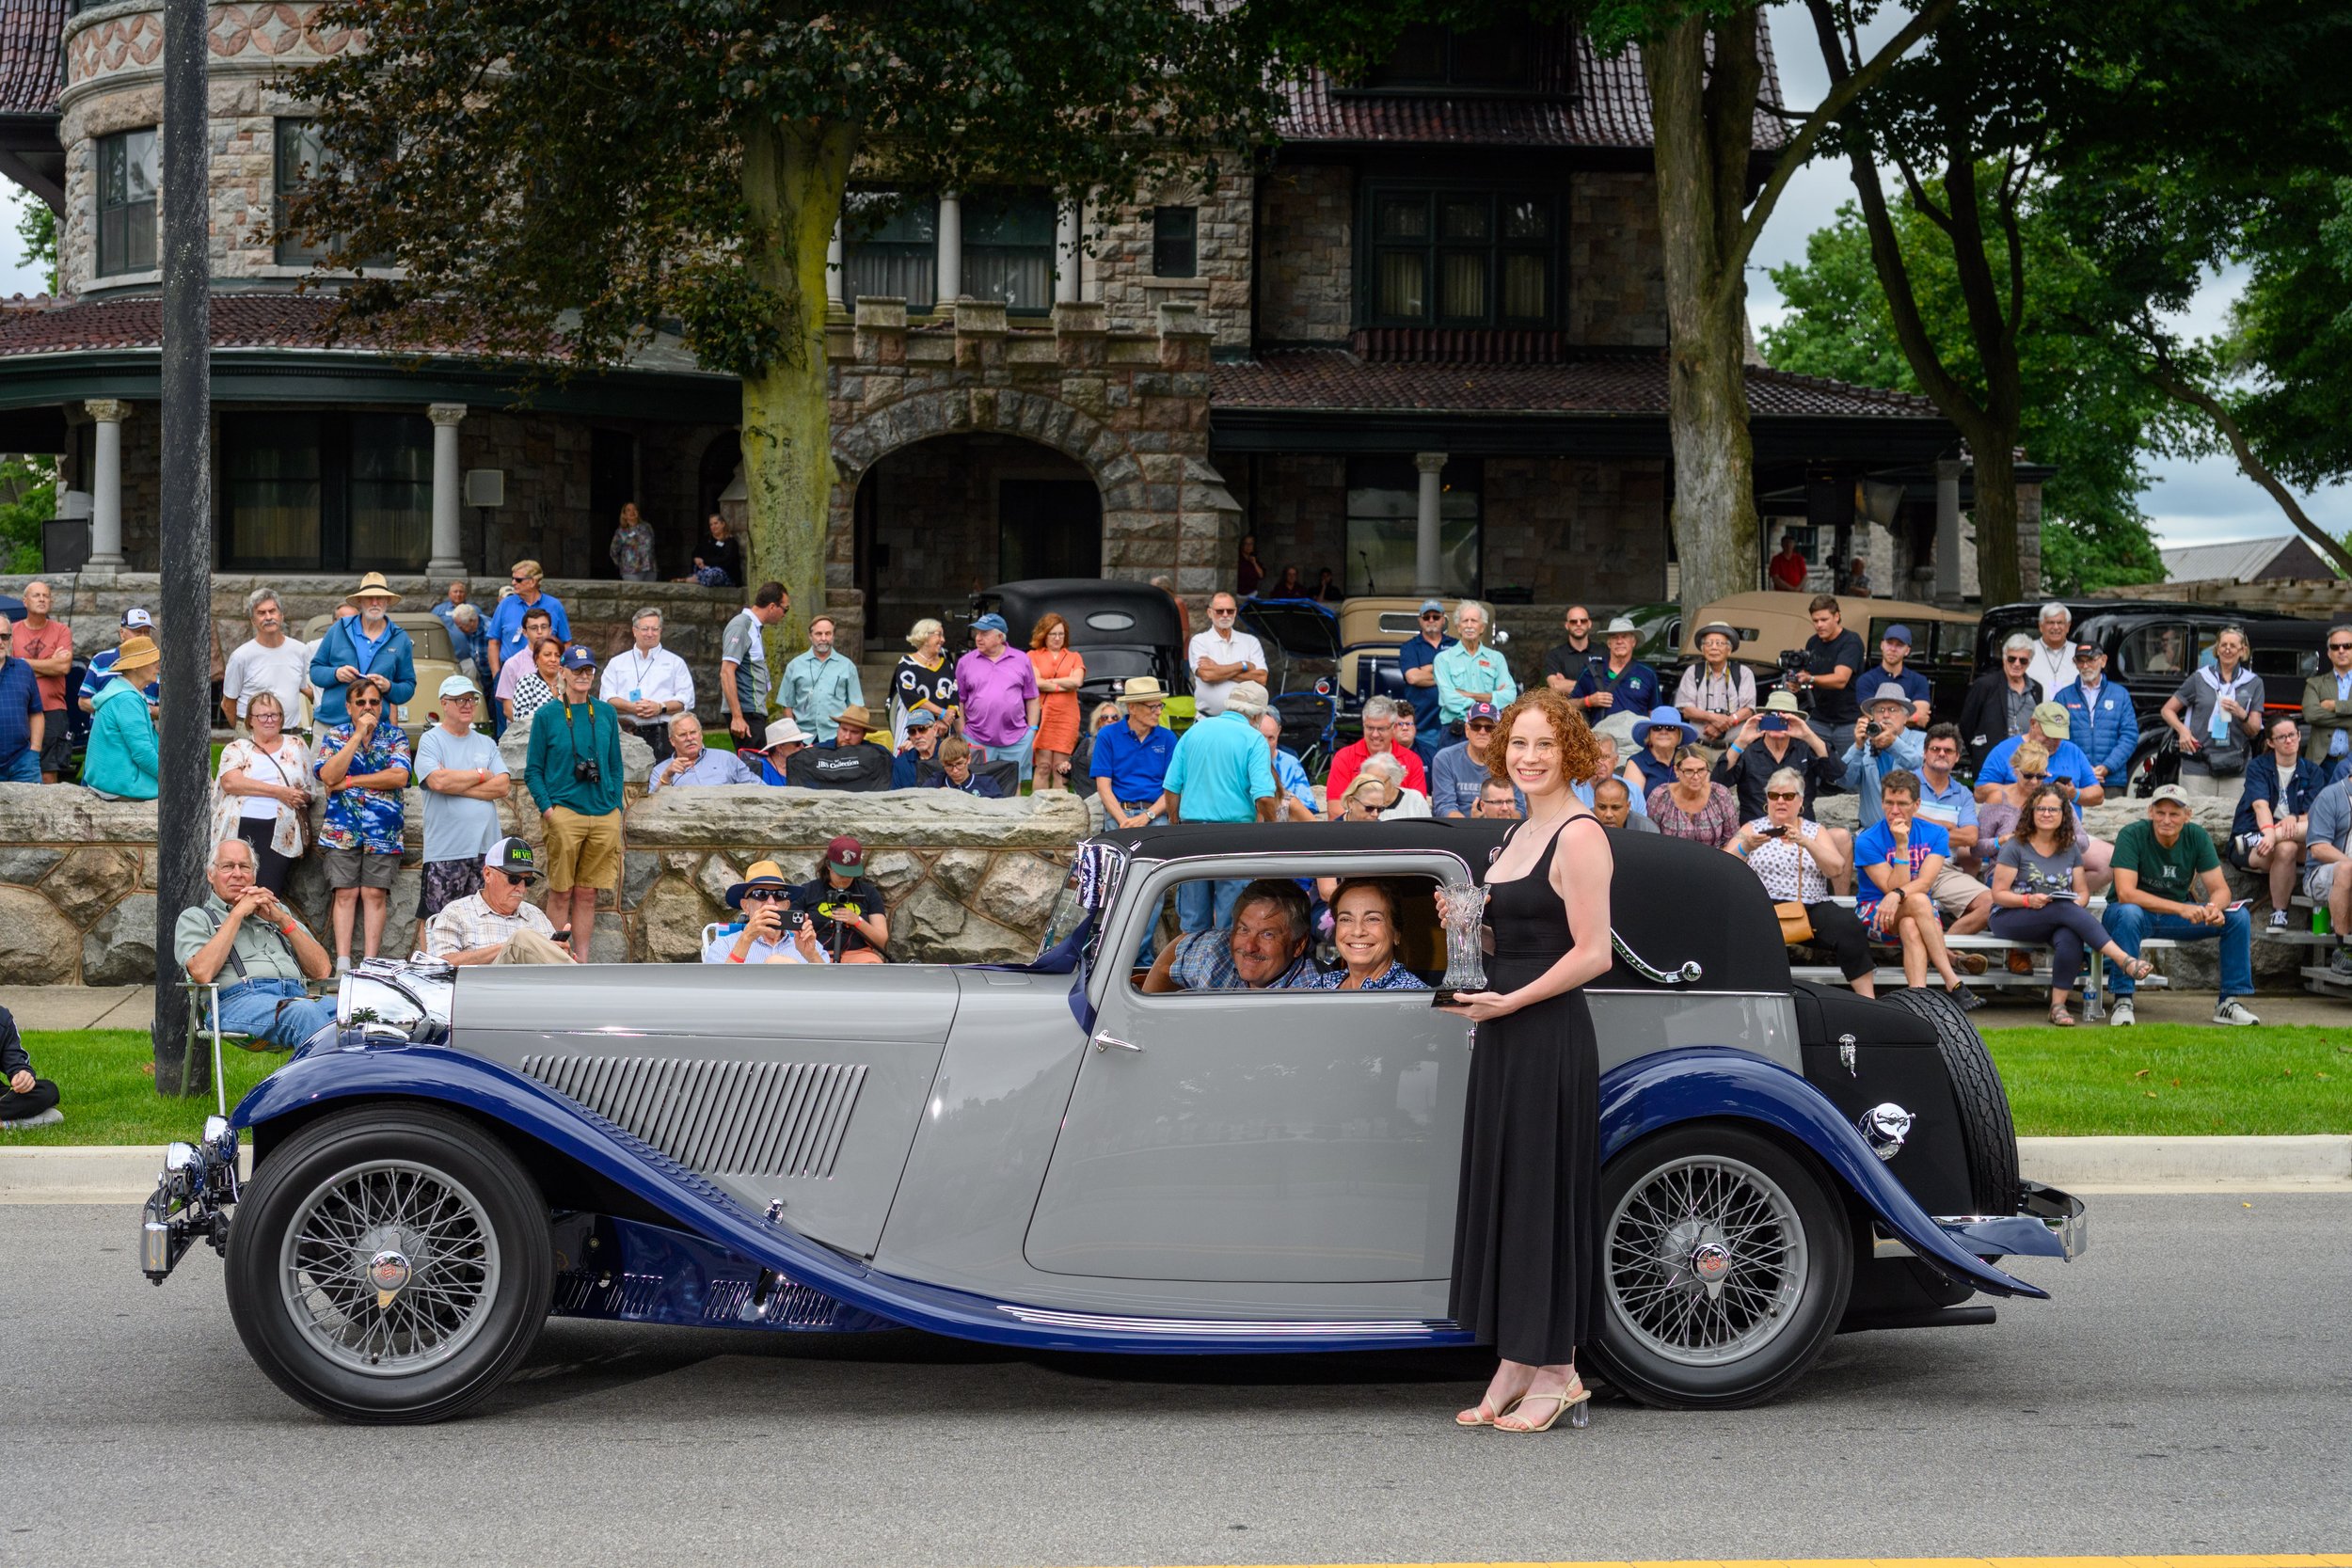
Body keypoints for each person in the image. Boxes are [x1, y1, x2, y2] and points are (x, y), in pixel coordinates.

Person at [1441, 688, 1612, 1433]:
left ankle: (1561, 1368)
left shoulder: (1579, 833)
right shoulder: (1512, 834)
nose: (1529, 757)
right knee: (1510, 1192)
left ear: (1569, 751)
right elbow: (1504, 947)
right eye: (1518, 744)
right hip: (1505, 1029)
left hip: (1546, 1033)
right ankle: (1518, 1356)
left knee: (1543, 1194)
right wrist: (1465, 927)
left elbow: (1593, 953)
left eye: (1544, 745)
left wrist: (1512, 1002)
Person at [1990, 784, 2157, 1026]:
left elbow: (2082, 892)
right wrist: (2028, 900)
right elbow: (1998, 894)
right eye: (2041, 808)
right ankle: (2123, 959)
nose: (2047, 814)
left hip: (2054, 915)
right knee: (2063, 909)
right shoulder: (2015, 846)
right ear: (2032, 812)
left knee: (2070, 934)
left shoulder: (2069, 847)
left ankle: (2057, 1006)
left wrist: (2077, 903)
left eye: (2053, 809)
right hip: (2011, 915)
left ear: (2063, 815)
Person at [2102, 784, 2261, 1027]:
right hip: (2131, 915)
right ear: (2150, 812)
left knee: (2238, 918)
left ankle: (2229, 1002)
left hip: (2176, 918)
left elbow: (2220, 889)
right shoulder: (2131, 834)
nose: (2166, 819)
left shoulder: (2196, 836)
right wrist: (2181, 908)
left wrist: (2214, 909)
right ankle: (2123, 1000)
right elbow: (2125, 893)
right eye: (2160, 812)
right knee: (2129, 913)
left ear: (2188, 816)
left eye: (2174, 814)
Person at [175, 838, 336, 1048]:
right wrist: (237, 913)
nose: (237, 874)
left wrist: (283, 921)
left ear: (254, 876)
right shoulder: (196, 918)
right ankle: (327, 1079)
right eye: (227, 866)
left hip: (296, 996)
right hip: (237, 1002)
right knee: (303, 1013)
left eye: (244, 867)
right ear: (210, 875)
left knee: (361, 1013)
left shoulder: (276, 913)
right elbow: (202, 973)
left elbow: (322, 971)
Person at [524, 645, 627, 962]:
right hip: (564, 812)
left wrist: (616, 808)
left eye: (589, 670)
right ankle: (555, 958)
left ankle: (582, 959)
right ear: (563, 672)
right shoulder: (547, 715)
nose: (583, 675)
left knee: (587, 893)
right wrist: (549, 811)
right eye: (577, 669)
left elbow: (615, 766)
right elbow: (533, 770)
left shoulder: (606, 712)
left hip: (603, 813)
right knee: (561, 891)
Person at [1730, 768, 1872, 992]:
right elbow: (1726, 863)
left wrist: (1806, 842)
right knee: (1738, 928)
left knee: (1849, 927)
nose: (1780, 801)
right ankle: (1748, 992)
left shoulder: (1814, 830)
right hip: (1763, 904)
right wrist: (1744, 846)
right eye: (1774, 795)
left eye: (1788, 796)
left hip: (1810, 904)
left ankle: (1867, 999)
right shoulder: (1752, 828)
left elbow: (1836, 868)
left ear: (1800, 800)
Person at [1151, 680, 1278, 933]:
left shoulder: (1194, 732)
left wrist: (1175, 823)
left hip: (1192, 833)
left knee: (1192, 919)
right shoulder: (1254, 739)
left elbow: (1171, 787)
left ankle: (1189, 969)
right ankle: (1225, 971)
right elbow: (1263, 797)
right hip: (1234, 836)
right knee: (1231, 919)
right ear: (1257, 714)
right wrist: (1273, 828)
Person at [1854, 771, 1978, 1006]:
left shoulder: (1936, 834)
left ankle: (1918, 1000)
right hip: (1875, 913)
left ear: (1917, 805)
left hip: (1916, 914)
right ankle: (1952, 981)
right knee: (1920, 901)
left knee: (1912, 921)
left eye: (1902, 804)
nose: (1894, 810)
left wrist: (1898, 894)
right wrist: (1902, 846)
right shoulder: (1867, 840)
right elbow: (1891, 886)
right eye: (1889, 803)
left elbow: (1926, 882)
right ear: (1882, 803)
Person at [313, 679, 410, 971]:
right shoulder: (335, 736)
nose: (369, 707)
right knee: (344, 892)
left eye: (374, 702)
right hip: (343, 829)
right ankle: (343, 964)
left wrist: (352, 781)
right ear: (349, 707)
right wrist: (356, 736)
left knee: (374, 893)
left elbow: (399, 776)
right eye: (361, 702)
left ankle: (371, 963)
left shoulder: (396, 736)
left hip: (383, 830)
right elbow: (328, 775)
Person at [412, 675, 510, 958]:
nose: (467, 705)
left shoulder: (486, 743)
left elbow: (502, 786)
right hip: (446, 849)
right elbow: (437, 783)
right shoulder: (431, 741)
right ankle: (431, 969)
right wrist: (480, 776)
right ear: (444, 704)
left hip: (485, 850)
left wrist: (456, 784)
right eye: (459, 700)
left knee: (480, 919)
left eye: (471, 699)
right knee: (436, 918)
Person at [209, 691, 311, 895]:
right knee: (233, 891)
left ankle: (262, 928)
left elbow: (310, 789)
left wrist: (301, 797)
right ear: (250, 721)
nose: (269, 720)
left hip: (279, 831)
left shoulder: (296, 745)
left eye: (275, 715)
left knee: (267, 891)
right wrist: (279, 792)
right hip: (238, 827)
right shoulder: (237, 747)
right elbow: (230, 782)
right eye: (262, 716)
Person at [1140, 878, 1314, 992]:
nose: (1249, 947)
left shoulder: (1313, 990)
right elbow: (1176, 953)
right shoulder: (1216, 951)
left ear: (1298, 944)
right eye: (1243, 929)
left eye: (1267, 934)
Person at [2233, 714, 2325, 929]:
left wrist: (2292, 820)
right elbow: (2260, 805)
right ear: (2270, 742)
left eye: (2292, 735)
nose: (2288, 740)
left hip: (2285, 838)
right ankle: (2279, 912)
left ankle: (2279, 914)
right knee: (2286, 848)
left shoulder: (2313, 771)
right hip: (2260, 841)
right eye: (2282, 737)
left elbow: (2314, 813)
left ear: (2299, 735)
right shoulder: (2258, 767)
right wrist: (2267, 831)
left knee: (2293, 843)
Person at [425, 837, 577, 966]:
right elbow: (439, 965)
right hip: (483, 993)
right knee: (522, 938)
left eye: (528, 881)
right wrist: (512, 947)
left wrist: (563, 953)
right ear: (488, 874)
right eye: (514, 879)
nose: (522, 888)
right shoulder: (456, 913)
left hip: (534, 993)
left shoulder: (535, 915)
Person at [2162, 624, 2265, 798]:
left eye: (2233, 646)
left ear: (2242, 651)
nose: (2227, 650)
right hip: (2198, 764)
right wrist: (2183, 731)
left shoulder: (2254, 683)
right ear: (2217, 649)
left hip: (2235, 766)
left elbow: (2254, 730)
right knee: (2194, 819)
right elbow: (2167, 710)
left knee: (2232, 821)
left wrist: (2242, 714)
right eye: (2223, 645)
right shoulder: (2200, 678)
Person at [1913, 723, 1995, 936]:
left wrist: (1920, 822)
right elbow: (1901, 823)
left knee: (1992, 902)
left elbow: (1970, 836)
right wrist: (1947, 827)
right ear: (1924, 753)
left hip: (1943, 870)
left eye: (1948, 750)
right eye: (1935, 749)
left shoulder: (1963, 794)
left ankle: (1945, 947)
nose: (1941, 754)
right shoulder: (1907, 783)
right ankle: (1947, 957)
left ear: (1957, 757)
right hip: (1906, 866)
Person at [310, 572, 417, 731]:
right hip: (331, 725)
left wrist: (388, 687)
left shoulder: (400, 638)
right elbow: (315, 671)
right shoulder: (339, 628)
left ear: (387, 600)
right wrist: (336, 674)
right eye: (369, 598)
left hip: (375, 730)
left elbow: (408, 687)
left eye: (380, 597)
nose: (375, 602)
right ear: (360, 601)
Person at [1713, 689, 1835, 821]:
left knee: (1841, 836)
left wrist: (1808, 735)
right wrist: (1741, 740)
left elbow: (1835, 773)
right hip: (1756, 829)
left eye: (1785, 719)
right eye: (1773, 717)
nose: (1778, 723)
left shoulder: (1806, 748)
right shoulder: (1746, 749)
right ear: (1763, 718)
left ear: (1796, 721)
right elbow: (1717, 783)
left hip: (1800, 827)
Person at [600, 608, 694, 764]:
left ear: (660, 631)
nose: (650, 633)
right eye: (645, 629)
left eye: (654, 629)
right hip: (626, 733)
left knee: (664, 782)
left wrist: (660, 707)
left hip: (663, 733)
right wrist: (632, 707)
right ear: (634, 631)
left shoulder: (675, 662)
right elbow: (606, 698)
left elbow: (686, 700)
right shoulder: (617, 663)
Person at [957, 612, 1041, 784]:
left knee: (1014, 786)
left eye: (984, 633)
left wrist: (1031, 730)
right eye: (977, 633)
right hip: (976, 737)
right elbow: (960, 700)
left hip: (1016, 739)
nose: (978, 638)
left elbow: (1032, 698)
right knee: (977, 785)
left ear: (1000, 637)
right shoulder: (965, 662)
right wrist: (962, 732)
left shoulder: (1021, 659)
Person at [1302, 879, 1431, 991]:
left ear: (1396, 933)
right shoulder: (1322, 985)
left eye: (1372, 919)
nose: (1357, 931)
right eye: (1346, 919)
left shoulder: (1414, 998)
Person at [1975, 701, 2106, 807]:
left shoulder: (2073, 751)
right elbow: (1980, 793)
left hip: (2066, 832)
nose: (2053, 742)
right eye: (2048, 735)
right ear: (2033, 724)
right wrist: (2020, 788)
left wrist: (2073, 794)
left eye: (2059, 736)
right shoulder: (2004, 750)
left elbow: (2098, 795)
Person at [81, 633, 161, 800]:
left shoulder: (121, 689)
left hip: (109, 778)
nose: (158, 666)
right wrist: (174, 778)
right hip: (118, 783)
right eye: (153, 661)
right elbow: (143, 754)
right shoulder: (127, 700)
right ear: (135, 667)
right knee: (187, 791)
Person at [219, 588, 310, 735]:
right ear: (253, 621)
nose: (268, 617)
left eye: (272, 611)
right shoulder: (241, 656)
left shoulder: (300, 650)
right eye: (261, 613)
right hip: (252, 735)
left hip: (291, 735)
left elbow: (302, 686)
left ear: (281, 616)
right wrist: (244, 733)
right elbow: (227, 704)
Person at [706, 860, 830, 964]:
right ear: (746, 906)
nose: (771, 902)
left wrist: (812, 955)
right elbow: (717, 987)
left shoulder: (810, 945)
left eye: (779, 895)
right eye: (761, 894)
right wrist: (746, 939)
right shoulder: (724, 945)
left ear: (786, 905)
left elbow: (830, 990)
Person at [1840, 683, 1929, 828]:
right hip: (1871, 832)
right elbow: (1844, 781)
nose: (1886, 715)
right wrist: (1857, 746)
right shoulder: (1865, 744)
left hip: (1910, 832)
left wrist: (1893, 743)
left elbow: (1918, 764)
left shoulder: (1921, 739)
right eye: (1880, 710)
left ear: (1906, 718)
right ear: (1873, 716)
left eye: (1892, 710)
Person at [1093, 677, 1176, 829]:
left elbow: (1172, 788)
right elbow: (1103, 787)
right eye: (1152, 707)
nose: (1158, 712)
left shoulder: (1167, 738)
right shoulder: (1107, 735)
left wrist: (1147, 816)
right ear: (1132, 708)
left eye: (1160, 706)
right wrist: (1124, 822)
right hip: (1119, 811)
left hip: (1155, 813)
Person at [791, 836, 889, 963]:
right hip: (815, 953)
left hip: (860, 955)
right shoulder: (808, 891)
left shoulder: (869, 893)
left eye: (850, 874)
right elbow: (790, 933)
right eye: (841, 873)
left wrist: (857, 921)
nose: (846, 878)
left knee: (873, 969)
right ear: (829, 866)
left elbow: (881, 941)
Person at [1788, 595, 1866, 753]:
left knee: (1848, 771)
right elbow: (1809, 677)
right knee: (1808, 766)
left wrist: (1809, 678)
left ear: (1836, 617)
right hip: (1818, 718)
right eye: (1815, 621)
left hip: (1847, 721)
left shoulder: (1851, 641)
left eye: (1824, 620)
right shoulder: (1812, 642)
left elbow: (1841, 679)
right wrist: (1798, 683)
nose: (1819, 625)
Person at [2054, 641, 2137, 787]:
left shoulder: (2120, 695)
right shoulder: (2063, 697)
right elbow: (2056, 738)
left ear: (2103, 661)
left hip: (2111, 780)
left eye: (2091, 660)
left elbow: (2129, 736)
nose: (2085, 666)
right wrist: (2083, 769)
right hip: (2074, 779)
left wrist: (2107, 767)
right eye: (2080, 661)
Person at [1325, 695, 1428, 807]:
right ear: (1363, 725)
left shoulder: (1412, 760)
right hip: (1356, 823)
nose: (1375, 734)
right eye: (1370, 728)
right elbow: (1335, 809)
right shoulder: (1344, 757)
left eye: (1381, 729)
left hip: (1399, 824)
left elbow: (1418, 807)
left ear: (1394, 727)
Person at [721, 581, 789, 743]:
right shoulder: (741, 625)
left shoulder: (754, 627)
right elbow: (726, 671)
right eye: (785, 609)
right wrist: (737, 716)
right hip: (746, 711)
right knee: (754, 764)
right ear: (772, 606)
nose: (785, 615)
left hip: (753, 710)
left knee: (757, 763)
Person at [15, 580, 71, 782]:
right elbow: (6, 668)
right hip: (19, 709)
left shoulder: (61, 631)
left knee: (48, 772)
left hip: (53, 709)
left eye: (46, 596)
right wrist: (49, 664)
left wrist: (21, 664)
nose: (42, 599)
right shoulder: (11, 632)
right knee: (16, 767)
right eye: (36, 595)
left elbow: (63, 667)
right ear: (25, 601)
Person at [777, 614, 865, 741]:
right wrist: (793, 737)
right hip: (803, 737)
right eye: (818, 634)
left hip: (835, 737)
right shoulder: (794, 666)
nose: (823, 638)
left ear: (833, 636)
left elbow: (856, 707)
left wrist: (848, 737)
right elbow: (787, 705)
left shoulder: (848, 666)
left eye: (828, 634)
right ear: (810, 636)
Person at [1566, 615, 1660, 734]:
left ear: (1633, 642)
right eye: (1615, 637)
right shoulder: (1591, 670)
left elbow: (1655, 713)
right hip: (1601, 743)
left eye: (1624, 637)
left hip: (1636, 743)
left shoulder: (1647, 673)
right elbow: (1569, 705)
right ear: (1609, 643)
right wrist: (1589, 701)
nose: (1619, 641)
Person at [1961, 632, 2040, 770]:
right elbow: (1966, 725)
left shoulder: (2036, 688)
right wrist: (1980, 750)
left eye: (2023, 660)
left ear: (2030, 662)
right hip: (1992, 761)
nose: (2016, 664)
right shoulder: (1985, 685)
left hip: (2026, 764)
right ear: (2004, 658)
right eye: (2012, 659)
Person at [1026, 613, 1087, 791]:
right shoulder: (1033, 655)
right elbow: (1035, 683)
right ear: (1043, 634)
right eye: (1053, 634)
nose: (1057, 638)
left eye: (1061, 634)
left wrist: (1049, 683)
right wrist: (1063, 685)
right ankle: (1040, 810)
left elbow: (1077, 682)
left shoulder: (1074, 656)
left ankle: (1061, 810)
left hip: (1067, 717)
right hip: (1043, 716)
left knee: (1060, 767)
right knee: (1043, 767)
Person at [1434, 601, 1517, 728]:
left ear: (1482, 627)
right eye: (1465, 621)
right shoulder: (1443, 659)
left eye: (1474, 621)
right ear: (1458, 627)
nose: (1469, 625)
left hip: (1489, 728)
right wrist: (1488, 700)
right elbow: (1449, 699)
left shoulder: (1496, 658)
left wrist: (1468, 695)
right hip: (1456, 728)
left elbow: (1509, 696)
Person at [1187, 591, 1268, 720]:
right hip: (1208, 719)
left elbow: (1261, 678)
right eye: (1220, 611)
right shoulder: (1199, 641)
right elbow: (1207, 675)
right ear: (1210, 613)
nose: (1225, 615)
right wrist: (1243, 665)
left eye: (1230, 611)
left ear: (1235, 612)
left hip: (1244, 721)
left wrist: (1218, 669)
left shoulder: (1250, 641)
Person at [485, 560, 569, 682]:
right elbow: (493, 642)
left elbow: (566, 643)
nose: (513, 583)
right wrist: (497, 675)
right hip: (509, 674)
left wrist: (561, 671)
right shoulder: (505, 605)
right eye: (513, 579)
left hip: (547, 676)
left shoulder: (554, 606)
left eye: (518, 580)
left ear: (533, 582)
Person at [2301, 776, 2352, 977]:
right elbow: (2319, 849)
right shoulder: (2330, 796)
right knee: (2347, 870)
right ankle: (2342, 949)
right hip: (2321, 873)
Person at [1674, 621, 1756, 744]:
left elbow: (1748, 710)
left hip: (1734, 748)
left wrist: (1724, 724)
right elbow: (1687, 710)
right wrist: (1714, 718)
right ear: (1703, 649)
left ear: (1729, 650)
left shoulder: (1743, 673)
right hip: (1698, 748)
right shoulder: (1693, 672)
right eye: (1709, 643)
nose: (1714, 647)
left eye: (1719, 643)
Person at [1433, 701, 1518, 818]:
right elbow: (1444, 807)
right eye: (1476, 726)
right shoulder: (1445, 758)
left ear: (1498, 732)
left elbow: (1520, 810)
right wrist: (1472, 826)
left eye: (1489, 727)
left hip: (1501, 826)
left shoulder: (1510, 760)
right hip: (1457, 830)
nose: (1482, 732)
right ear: (1467, 730)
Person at [1646, 745, 1739, 847]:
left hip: (1714, 859)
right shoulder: (1660, 796)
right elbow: (1651, 839)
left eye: (1701, 770)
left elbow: (1732, 839)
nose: (1696, 777)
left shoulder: (1720, 794)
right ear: (1677, 770)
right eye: (1689, 771)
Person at [788, 705, 893, 791]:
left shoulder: (877, 754)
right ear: (838, 728)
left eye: (854, 732)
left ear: (864, 734)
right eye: (844, 729)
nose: (847, 737)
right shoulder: (818, 750)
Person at [1395, 598, 1457, 741]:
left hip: (1453, 724)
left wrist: (1428, 669)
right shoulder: (1410, 647)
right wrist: (1446, 675)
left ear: (1443, 620)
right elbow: (1413, 677)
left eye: (1436, 617)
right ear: (1420, 620)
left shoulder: (1456, 645)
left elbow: (1462, 676)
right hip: (1422, 724)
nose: (1431, 620)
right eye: (1426, 617)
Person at [891, 617, 958, 749]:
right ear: (924, 636)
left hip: (943, 730)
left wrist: (946, 720)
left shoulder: (947, 665)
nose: (943, 640)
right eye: (939, 634)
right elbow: (909, 695)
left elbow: (954, 695)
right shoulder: (907, 664)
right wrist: (941, 714)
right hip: (914, 729)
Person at [79, 607, 159, 715]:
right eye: (138, 632)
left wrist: (143, 709)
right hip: (106, 730)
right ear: (122, 633)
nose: (143, 637)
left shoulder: (155, 663)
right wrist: (115, 711)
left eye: (146, 632)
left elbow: (165, 709)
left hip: (140, 729)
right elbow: (83, 702)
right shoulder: (101, 660)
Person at [653, 711, 759, 790]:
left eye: (693, 732)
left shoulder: (726, 758)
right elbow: (653, 808)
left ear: (701, 734)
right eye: (682, 734)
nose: (689, 738)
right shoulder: (660, 771)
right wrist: (666, 777)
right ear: (672, 741)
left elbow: (758, 788)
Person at [493, 603, 558, 727]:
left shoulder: (560, 661)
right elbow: (508, 709)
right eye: (534, 628)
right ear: (524, 632)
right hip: (524, 734)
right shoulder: (512, 664)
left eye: (544, 627)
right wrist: (538, 730)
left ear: (550, 630)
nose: (539, 632)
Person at [2301, 624, 2352, 784]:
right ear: (2329, 653)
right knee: (2315, 807)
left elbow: (2320, 716)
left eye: (2347, 646)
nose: (2341, 650)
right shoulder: (2315, 683)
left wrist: (2335, 706)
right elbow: (2311, 714)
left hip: (2350, 762)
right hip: (2321, 763)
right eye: (2336, 647)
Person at [1253, 708, 1320, 822]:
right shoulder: (1244, 761)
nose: (1265, 745)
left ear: (1278, 732)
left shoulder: (1291, 763)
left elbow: (1307, 807)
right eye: (1260, 738)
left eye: (1270, 738)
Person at [0, 1006, 60, 1128]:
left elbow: (14, 1059)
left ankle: (4, 1124)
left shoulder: (2, 1019)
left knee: (48, 1091)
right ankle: (9, 1123)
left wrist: (21, 1074)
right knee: (50, 1116)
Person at [0, 617, 43, 784]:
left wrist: (34, 751)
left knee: (34, 810)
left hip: (23, 764)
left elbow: (36, 713)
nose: (1, 642)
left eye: (5, 636)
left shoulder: (24, 670)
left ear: (11, 639)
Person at [1626, 705, 1699, 800]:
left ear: (1679, 734)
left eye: (1670, 728)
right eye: (1657, 728)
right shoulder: (1636, 763)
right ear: (1650, 734)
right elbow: (1632, 805)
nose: (1663, 732)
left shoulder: (1688, 760)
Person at [1869, 625, 1932, 730]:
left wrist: (1882, 717)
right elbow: (1869, 713)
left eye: (1899, 645)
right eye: (1889, 643)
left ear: (1907, 650)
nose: (1893, 649)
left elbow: (1922, 716)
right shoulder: (1867, 679)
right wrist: (1915, 718)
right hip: (1876, 737)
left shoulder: (1920, 680)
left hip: (1911, 741)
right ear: (1881, 645)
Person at [1572, 733, 1647, 818]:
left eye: (1605, 757)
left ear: (1616, 760)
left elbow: (1642, 827)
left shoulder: (1633, 791)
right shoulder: (1572, 789)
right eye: (1594, 756)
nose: (1599, 762)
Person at [503, 635, 564, 731]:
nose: (553, 659)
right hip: (533, 740)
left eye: (557, 655)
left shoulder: (567, 685)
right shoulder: (527, 681)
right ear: (536, 658)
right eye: (547, 654)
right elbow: (520, 716)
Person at [1542, 605, 1604, 697]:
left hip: (1600, 710)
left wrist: (1566, 684)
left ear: (1589, 624)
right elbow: (1555, 686)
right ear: (1567, 625)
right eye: (1573, 621)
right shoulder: (1554, 655)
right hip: (1567, 710)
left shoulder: (1604, 652)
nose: (1578, 624)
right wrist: (1595, 685)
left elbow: (1612, 685)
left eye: (1583, 621)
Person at [432, 580, 489, 680]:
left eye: (461, 591)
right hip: (448, 659)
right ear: (449, 594)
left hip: (469, 659)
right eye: (455, 591)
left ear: (465, 594)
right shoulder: (439, 610)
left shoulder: (474, 609)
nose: (458, 594)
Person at [889, 702, 947, 789]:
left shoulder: (949, 754)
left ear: (935, 729)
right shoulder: (902, 762)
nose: (917, 736)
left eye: (922, 729)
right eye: (912, 731)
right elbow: (893, 796)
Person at [2025, 602, 2074, 701]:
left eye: (2060, 623)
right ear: (2041, 626)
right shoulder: (2026, 650)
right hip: (2034, 714)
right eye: (2050, 622)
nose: (2055, 627)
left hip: (2071, 714)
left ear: (2068, 626)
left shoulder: (2078, 652)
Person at [1357, 751, 1431, 817]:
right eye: (1367, 782)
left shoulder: (1414, 799)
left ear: (1393, 779)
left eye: (1378, 783)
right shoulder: (1358, 801)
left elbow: (1428, 829)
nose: (1372, 787)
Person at [745, 716, 812, 785]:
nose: (802, 746)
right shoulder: (761, 770)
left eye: (802, 742)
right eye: (797, 743)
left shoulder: (801, 766)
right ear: (780, 748)